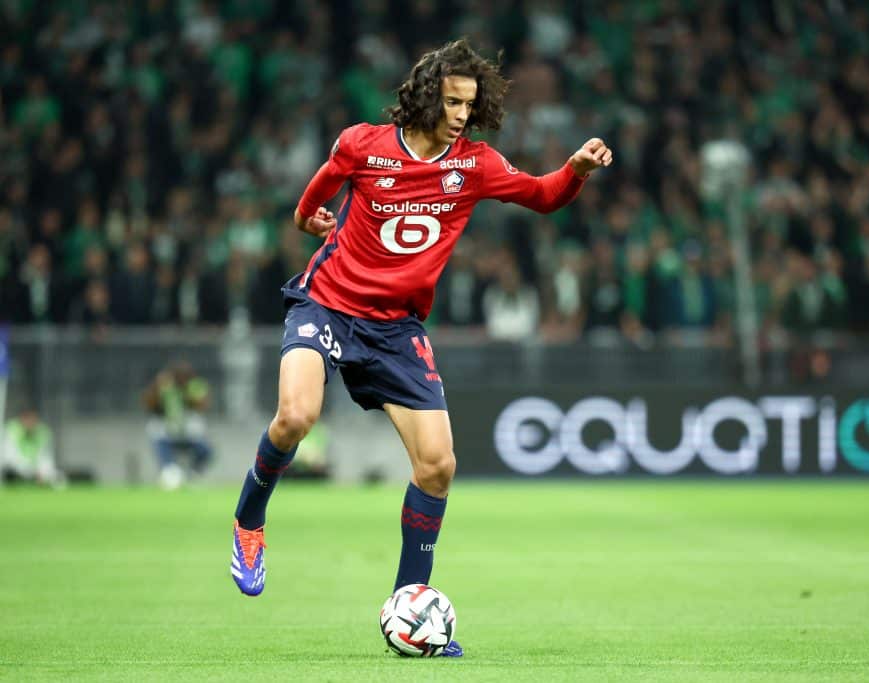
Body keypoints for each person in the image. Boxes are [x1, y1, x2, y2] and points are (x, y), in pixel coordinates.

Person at [228, 38, 612, 657]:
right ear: (428, 95)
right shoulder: (362, 145)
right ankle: (249, 519)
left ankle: (410, 606)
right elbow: (314, 196)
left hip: (396, 328)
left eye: (470, 103)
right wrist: (308, 221)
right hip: (327, 302)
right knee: (296, 416)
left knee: (438, 466)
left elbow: (543, 196)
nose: (462, 113)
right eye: (454, 101)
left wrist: (576, 172)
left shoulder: (476, 165)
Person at [143, 360, 213, 490]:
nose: (183, 379)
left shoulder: (195, 386)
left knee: (206, 450)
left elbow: (202, 405)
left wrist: (188, 395)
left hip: (189, 433)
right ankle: (169, 471)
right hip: (168, 431)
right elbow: (149, 403)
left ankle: (193, 474)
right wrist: (158, 387)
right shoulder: (165, 386)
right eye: (180, 376)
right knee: (159, 440)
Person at [2, 406, 65, 488]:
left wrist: (42, 471)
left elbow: (46, 457)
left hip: (36, 469)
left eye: (34, 419)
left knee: (58, 478)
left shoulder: (43, 432)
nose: (31, 422)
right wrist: (30, 471)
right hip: (14, 469)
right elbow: (9, 457)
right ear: (22, 418)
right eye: (28, 419)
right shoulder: (11, 429)